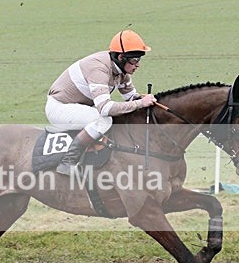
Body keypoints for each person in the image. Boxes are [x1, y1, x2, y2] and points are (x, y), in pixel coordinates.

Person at [45, 29, 157, 175]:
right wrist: (140, 104)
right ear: (121, 57)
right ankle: (68, 161)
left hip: (79, 106)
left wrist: (147, 101)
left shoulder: (122, 72)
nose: (137, 65)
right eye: (134, 60)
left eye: (139, 60)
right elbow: (105, 108)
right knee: (104, 120)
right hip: (60, 107)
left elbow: (131, 98)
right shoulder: (98, 68)